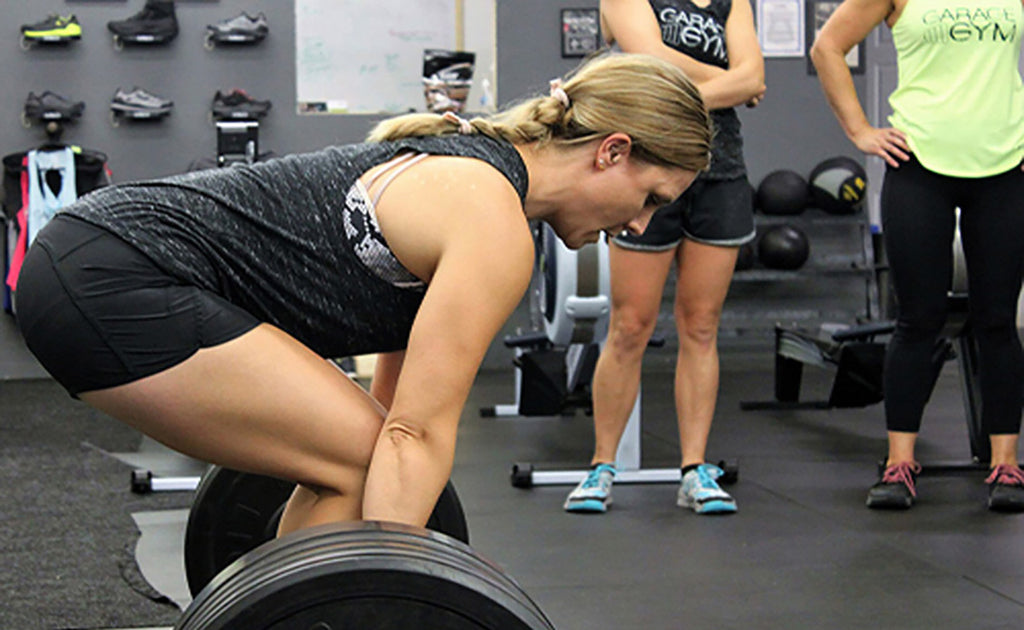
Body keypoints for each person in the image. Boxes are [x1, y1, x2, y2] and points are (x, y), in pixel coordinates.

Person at [14, 53, 713, 534]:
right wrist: (383, 596)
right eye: (650, 197)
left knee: (356, 453)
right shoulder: (489, 216)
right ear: (612, 151)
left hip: (89, 261)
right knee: (356, 463)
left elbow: (395, 411)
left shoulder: (475, 172)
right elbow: (414, 439)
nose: (640, 225)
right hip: (117, 276)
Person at [811, 0, 1024, 511]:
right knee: (918, 318)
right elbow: (827, 48)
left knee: (996, 321)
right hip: (919, 163)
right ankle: (898, 465)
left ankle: (1007, 466)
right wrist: (860, 130)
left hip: (1003, 165)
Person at [562, 0, 765, 515]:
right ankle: (601, 466)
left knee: (700, 326)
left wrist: (726, 80)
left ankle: (695, 470)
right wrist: (733, 78)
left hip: (719, 170)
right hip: (644, 164)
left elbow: (750, 75)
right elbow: (650, 55)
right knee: (630, 325)